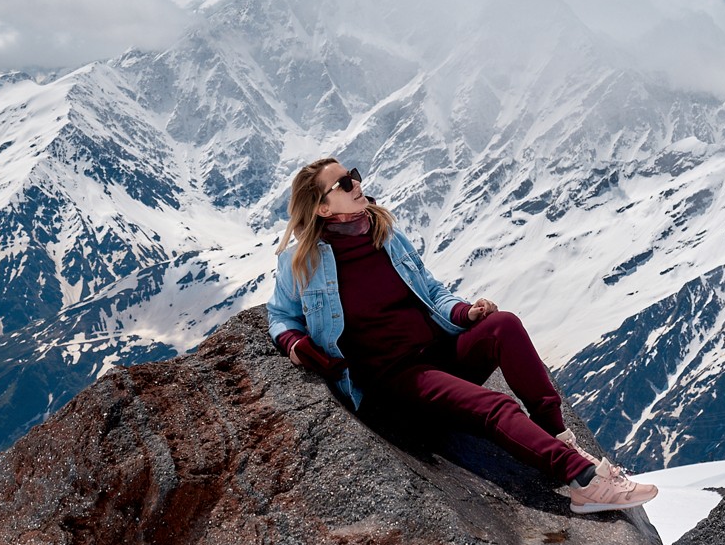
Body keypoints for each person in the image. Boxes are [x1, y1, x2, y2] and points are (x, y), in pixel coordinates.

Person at [267, 158, 658, 514]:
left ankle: (559, 437)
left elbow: (432, 290)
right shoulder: (303, 262)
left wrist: (464, 312)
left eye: (353, 174)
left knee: (503, 325)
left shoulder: (385, 235)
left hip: (435, 351)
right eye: (343, 183)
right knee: (495, 406)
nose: (356, 183)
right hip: (397, 380)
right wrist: (298, 347)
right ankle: (585, 482)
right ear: (322, 207)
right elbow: (281, 316)